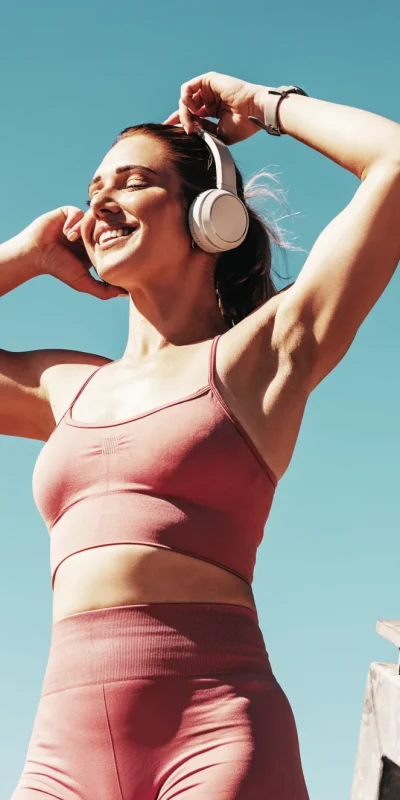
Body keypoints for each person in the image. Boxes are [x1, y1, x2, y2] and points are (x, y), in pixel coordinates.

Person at [4, 71, 400, 800]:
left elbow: (395, 165)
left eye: (130, 181)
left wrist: (264, 106)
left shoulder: (259, 357)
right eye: (94, 189)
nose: (100, 202)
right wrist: (23, 255)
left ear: (208, 217)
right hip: (60, 753)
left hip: (215, 734)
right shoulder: (65, 386)